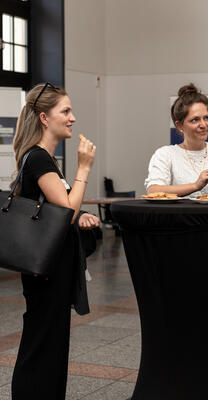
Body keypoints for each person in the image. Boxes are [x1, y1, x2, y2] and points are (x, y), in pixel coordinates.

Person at [10, 82, 99, 399]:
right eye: (66, 111)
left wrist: (81, 215)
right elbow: (64, 210)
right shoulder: (39, 159)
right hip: (47, 269)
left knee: (48, 341)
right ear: (45, 118)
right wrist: (85, 168)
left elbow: (65, 210)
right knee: (43, 343)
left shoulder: (42, 159)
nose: (73, 118)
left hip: (49, 266)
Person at [145, 83, 208, 199]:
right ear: (180, 125)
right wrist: (195, 185)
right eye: (195, 120)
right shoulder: (165, 155)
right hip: (179, 217)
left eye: (206, 118)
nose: (203, 125)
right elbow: (153, 191)